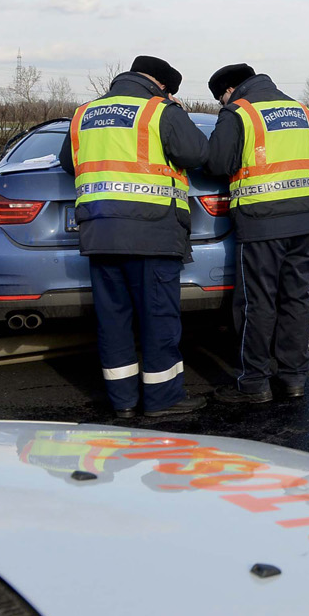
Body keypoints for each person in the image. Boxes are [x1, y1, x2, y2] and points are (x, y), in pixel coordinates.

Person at [60, 56, 208, 419]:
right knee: (158, 316)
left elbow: (69, 162)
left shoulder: (84, 114)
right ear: (161, 85)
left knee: (113, 319)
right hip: (152, 230)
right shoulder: (160, 111)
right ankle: (163, 400)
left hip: (99, 231)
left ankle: (123, 401)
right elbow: (197, 153)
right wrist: (177, 113)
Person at [204, 64, 309, 404]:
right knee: (296, 299)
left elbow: (216, 163)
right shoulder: (300, 109)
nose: (222, 104)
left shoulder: (239, 113)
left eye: (221, 98)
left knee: (257, 302)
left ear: (229, 90)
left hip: (262, 220)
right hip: (305, 218)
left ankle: (254, 383)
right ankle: (293, 378)